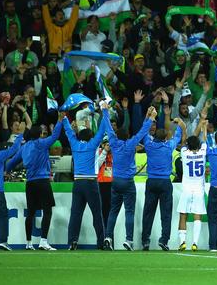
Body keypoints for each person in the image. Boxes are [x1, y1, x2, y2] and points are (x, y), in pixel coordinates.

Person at [101, 103, 154, 251]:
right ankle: (128, 240)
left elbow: (107, 126)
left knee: (113, 211)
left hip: (115, 181)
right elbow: (143, 132)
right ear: (127, 136)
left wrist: (105, 110)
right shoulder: (130, 144)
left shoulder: (113, 141)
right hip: (128, 182)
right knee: (129, 212)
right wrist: (150, 119)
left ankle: (108, 237)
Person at [63, 110, 108, 250]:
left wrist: (64, 118)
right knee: (97, 214)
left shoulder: (74, 144)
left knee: (75, 214)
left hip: (77, 183)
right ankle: (101, 243)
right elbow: (102, 129)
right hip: (90, 183)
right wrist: (105, 111)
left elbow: (68, 132)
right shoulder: (92, 144)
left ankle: (72, 242)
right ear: (90, 137)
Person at [18, 118, 63, 251]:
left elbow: (13, 162)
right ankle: (43, 241)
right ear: (39, 134)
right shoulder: (41, 143)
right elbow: (55, 136)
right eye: (43, 132)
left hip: (30, 183)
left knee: (30, 213)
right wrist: (59, 121)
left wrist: (5, 169)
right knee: (47, 211)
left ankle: (28, 243)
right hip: (42, 181)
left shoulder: (24, 147)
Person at [141, 117, 184, 251]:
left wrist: (149, 118)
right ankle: (164, 240)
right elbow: (178, 135)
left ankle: (145, 241)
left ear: (154, 136)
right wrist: (178, 124)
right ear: (165, 138)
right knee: (166, 213)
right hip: (165, 182)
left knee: (148, 212)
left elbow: (143, 132)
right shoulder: (169, 145)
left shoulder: (148, 144)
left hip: (152, 181)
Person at [177, 126, 209, 252]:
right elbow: (205, 140)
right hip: (199, 190)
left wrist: (184, 129)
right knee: (197, 215)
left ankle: (182, 242)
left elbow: (184, 141)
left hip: (186, 189)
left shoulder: (184, 154)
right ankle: (195, 243)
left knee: (183, 215)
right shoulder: (203, 153)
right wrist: (204, 128)